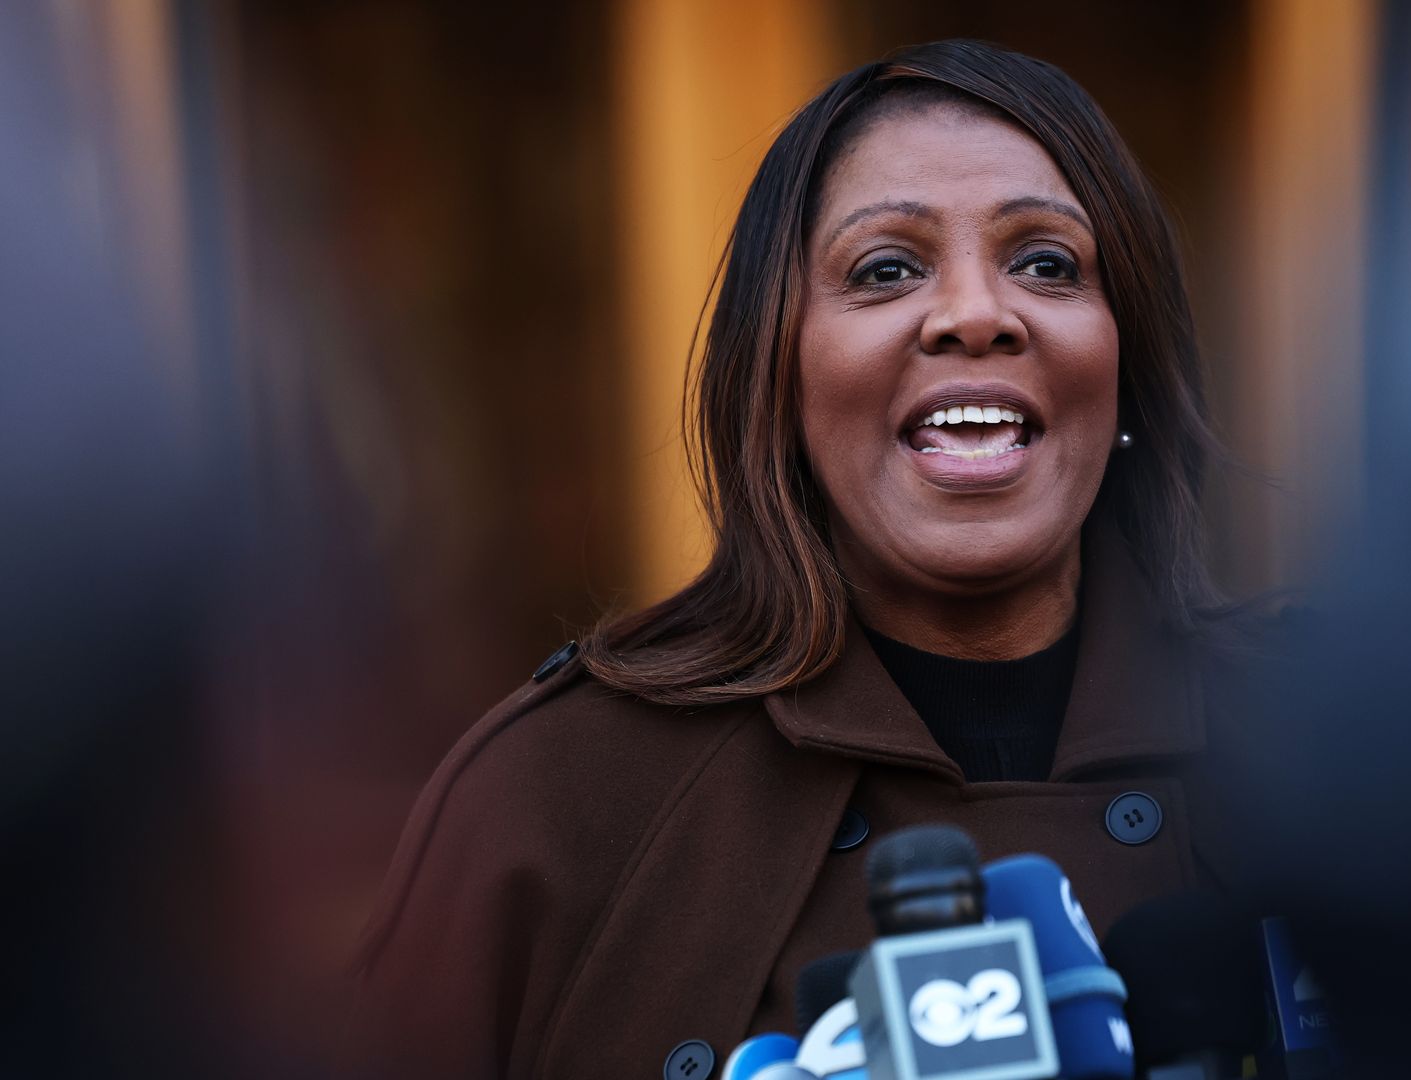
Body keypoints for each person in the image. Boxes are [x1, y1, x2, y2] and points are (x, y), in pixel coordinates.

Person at [340, 40, 1274, 1079]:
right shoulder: (555, 799)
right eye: (886, 269)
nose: (974, 314)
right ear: (776, 377)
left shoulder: (1347, 748)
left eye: (1047, 264)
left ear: (1127, 360)